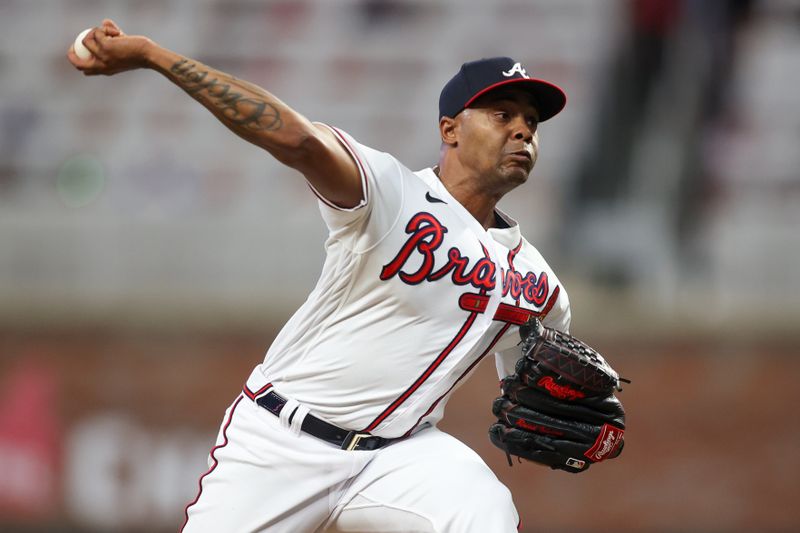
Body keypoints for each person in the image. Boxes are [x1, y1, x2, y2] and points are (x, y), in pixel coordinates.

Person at [68, 19, 572, 533]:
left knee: (483, 510)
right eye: (501, 114)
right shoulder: (391, 194)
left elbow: (529, 392)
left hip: (400, 457)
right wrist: (154, 55)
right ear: (450, 129)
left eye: (532, 122)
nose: (522, 130)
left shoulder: (539, 286)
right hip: (282, 441)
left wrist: (561, 410)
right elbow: (299, 140)